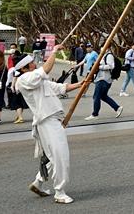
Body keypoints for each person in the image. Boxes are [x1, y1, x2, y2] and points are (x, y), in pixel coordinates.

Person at [15, 44, 85, 204]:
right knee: (61, 156)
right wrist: (54, 51)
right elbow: (45, 70)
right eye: (32, 62)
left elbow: (61, 88)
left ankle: (38, 182)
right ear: (25, 68)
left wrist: (81, 84)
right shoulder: (24, 79)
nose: (35, 63)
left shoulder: (39, 80)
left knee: (54, 156)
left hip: (53, 120)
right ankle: (59, 192)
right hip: (46, 122)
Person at [84, 50, 123, 120]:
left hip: (104, 79)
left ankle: (95, 114)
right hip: (102, 79)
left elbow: (111, 66)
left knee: (96, 96)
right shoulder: (104, 55)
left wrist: (99, 67)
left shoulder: (109, 55)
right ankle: (117, 108)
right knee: (103, 96)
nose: (101, 48)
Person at [7, 53, 29, 124]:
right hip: (24, 87)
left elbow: (14, 79)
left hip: (17, 88)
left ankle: (20, 117)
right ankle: (19, 116)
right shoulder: (25, 68)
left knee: (17, 103)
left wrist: (12, 86)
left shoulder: (17, 69)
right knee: (21, 103)